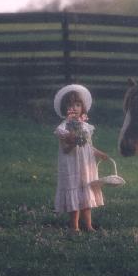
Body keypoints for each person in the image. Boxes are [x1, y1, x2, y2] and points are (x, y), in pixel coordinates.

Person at [53, 84, 108, 232]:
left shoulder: (85, 127)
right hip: (71, 164)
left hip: (85, 166)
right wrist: (73, 142)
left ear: (82, 108)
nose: (75, 108)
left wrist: (99, 153)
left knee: (86, 194)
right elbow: (65, 149)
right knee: (75, 195)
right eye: (71, 105)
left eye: (77, 105)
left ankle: (88, 225)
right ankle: (74, 226)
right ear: (65, 109)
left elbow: (89, 146)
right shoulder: (63, 128)